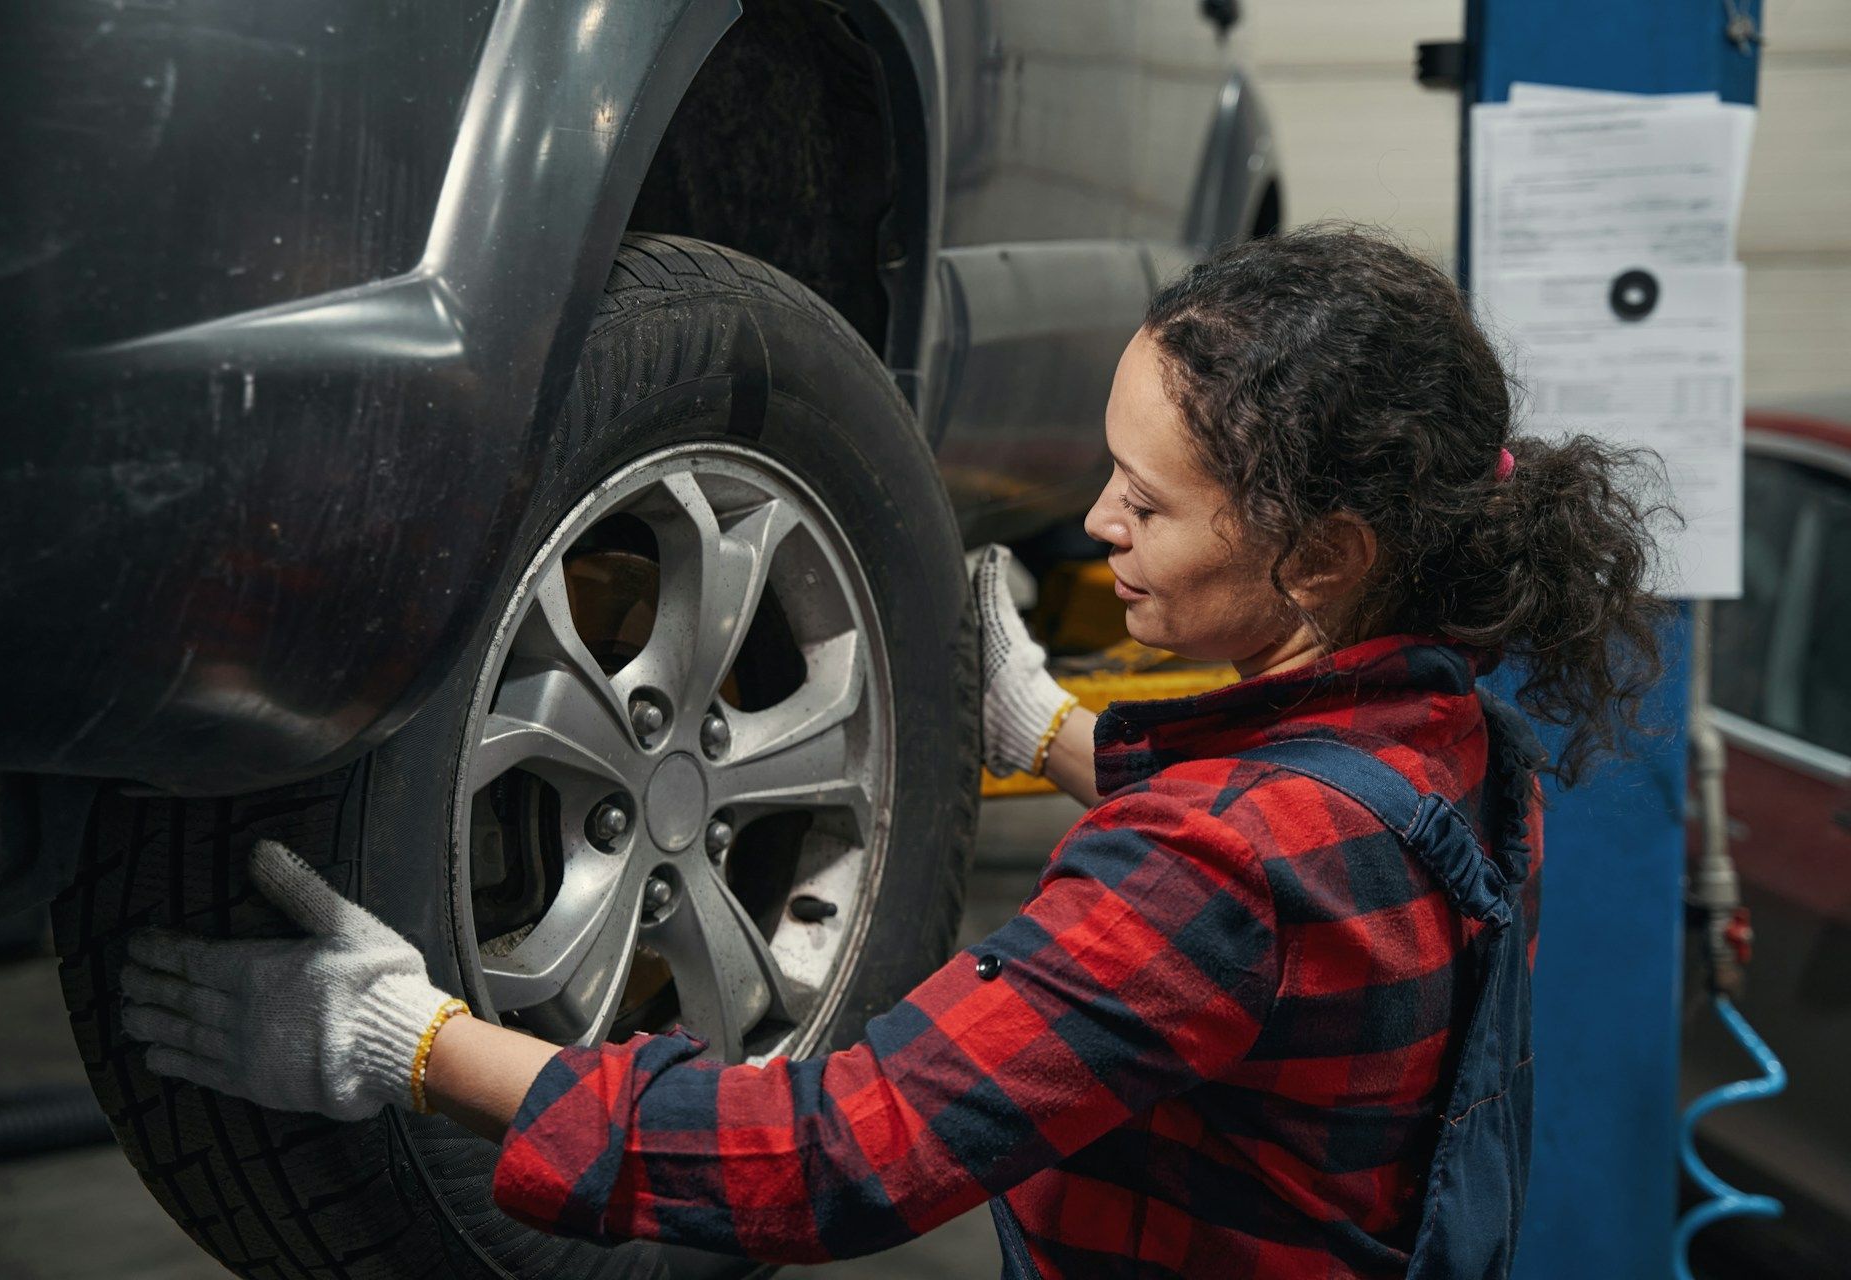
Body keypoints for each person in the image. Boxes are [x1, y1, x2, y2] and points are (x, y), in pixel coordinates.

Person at [120, 225, 1668, 1278]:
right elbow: (1276, 896)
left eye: (1153, 498)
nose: (1101, 524)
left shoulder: (1217, 872)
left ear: (1325, 556)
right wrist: (1053, 726)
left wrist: (415, 1046)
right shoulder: (1455, 740)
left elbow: (827, 1154)